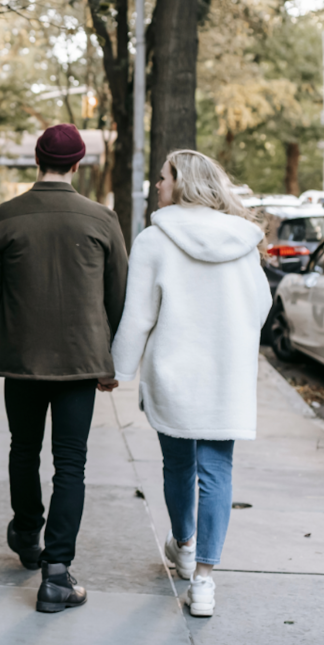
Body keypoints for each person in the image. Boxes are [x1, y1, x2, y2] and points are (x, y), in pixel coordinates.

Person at [0, 123, 129, 614]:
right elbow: (117, 298)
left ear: (38, 161)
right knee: (71, 464)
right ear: (78, 164)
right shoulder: (103, 219)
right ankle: (56, 574)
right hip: (80, 361)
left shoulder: (4, 217)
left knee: (24, 448)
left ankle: (25, 531)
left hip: (21, 356)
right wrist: (106, 357)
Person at [111, 150, 271, 617]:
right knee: (217, 472)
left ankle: (183, 544)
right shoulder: (242, 239)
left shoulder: (154, 239)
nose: (156, 185)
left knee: (178, 466)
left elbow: (138, 316)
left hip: (173, 374)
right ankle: (204, 581)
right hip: (227, 374)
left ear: (181, 183)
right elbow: (260, 308)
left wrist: (118, 371)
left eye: (162, 178)